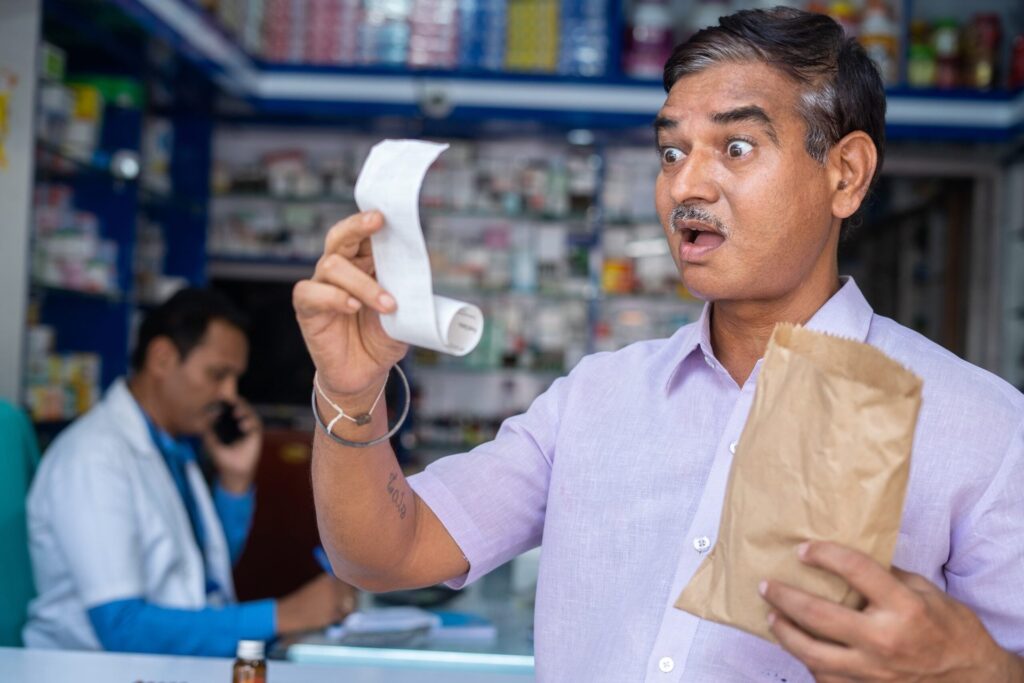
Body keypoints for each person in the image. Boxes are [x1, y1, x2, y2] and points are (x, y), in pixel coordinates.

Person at [293, 8, 1024, 682]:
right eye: (671, 152)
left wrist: (973, 666)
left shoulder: (980, 428)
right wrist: (351, 391)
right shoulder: (596, 398)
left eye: (737, 146)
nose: (686, 185)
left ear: (846, 172)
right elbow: (384, 554)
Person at [24, 288, 354, 657]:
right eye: (217, 374)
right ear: (162, 358)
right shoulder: (92, 458)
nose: (229, 395)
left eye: (235, 379)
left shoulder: (172, 448)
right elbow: (121, 628)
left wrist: (234, 482)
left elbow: (195, 575)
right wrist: (282, 616)